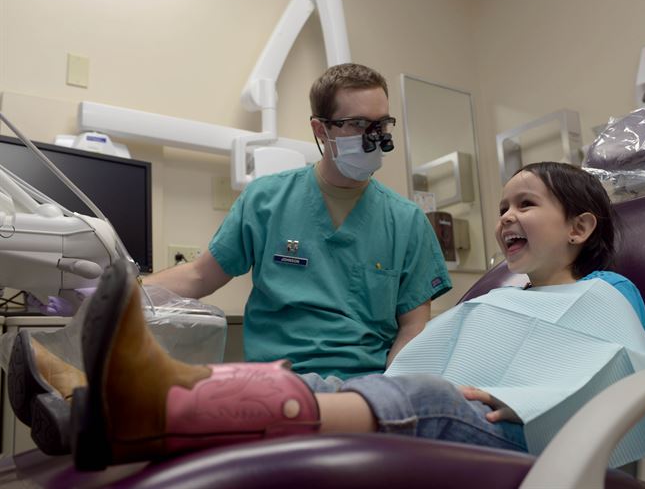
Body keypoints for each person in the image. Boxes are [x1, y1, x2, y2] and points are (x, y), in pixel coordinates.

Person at [14, 162, 645, 470]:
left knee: (416, 394)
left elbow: (607, 364)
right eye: (501, 206)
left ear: (581, 226)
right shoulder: (501, 296)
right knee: (330, 386)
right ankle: (94, 403)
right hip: (452, 412)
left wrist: (519, 397)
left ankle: (131, 408)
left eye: (526, 204)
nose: (505, 218)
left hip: (523, 438)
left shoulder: (607, 290)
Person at [145, 63, 451, 379]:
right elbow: (199, 276)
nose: (374, 138)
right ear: (321, 130)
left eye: (381, 125)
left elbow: (413, 327)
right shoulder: (267, 200)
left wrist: (390, 393)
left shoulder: (406, 220)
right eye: (357, 124)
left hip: (367, 386)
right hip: (279, 382)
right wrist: (119, 292)